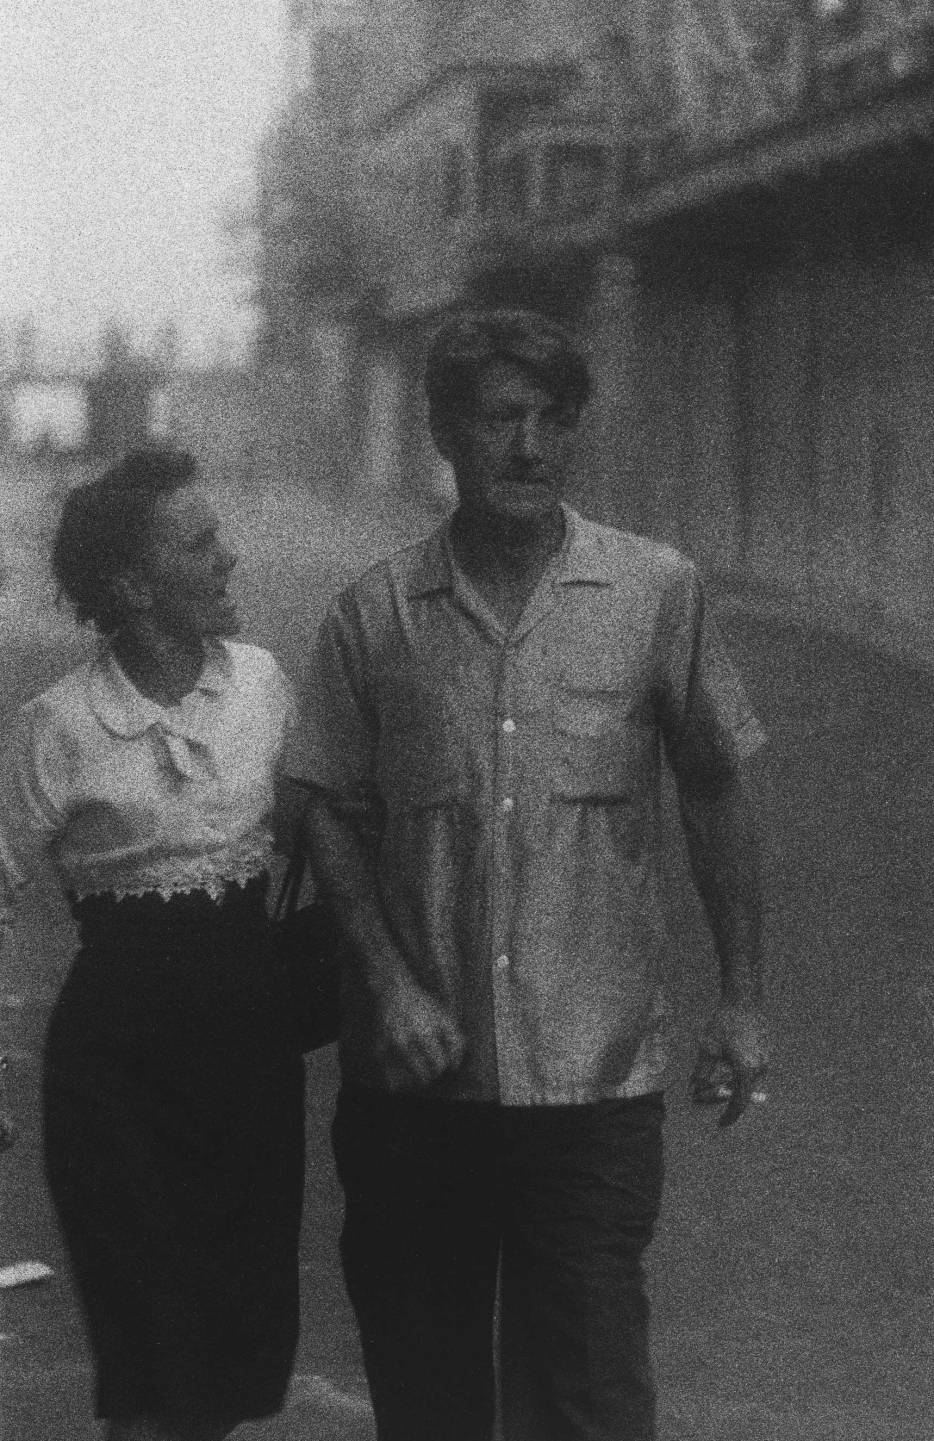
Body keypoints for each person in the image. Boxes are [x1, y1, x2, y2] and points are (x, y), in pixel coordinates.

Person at [287, 307, 771, 1441]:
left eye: (555, 420)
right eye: (502, 418)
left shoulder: (655, 593)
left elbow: (714, 786)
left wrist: (744, 999)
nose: (531, 446)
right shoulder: (375, 615)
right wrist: (388, 982)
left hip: (592, 1087)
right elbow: (325, 810)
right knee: (432, 1400)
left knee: (595, 1398)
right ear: (446, 431)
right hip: (417, 1089)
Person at [0, 448, 306, 1441]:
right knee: (145, 1360)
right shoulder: (58, 724)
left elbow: (329, 840)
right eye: (200, 542)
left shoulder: (261, 685)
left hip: (249, 1064)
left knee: (226, 1357)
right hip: (115, 1076)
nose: (229, 558)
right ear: (133, 585)